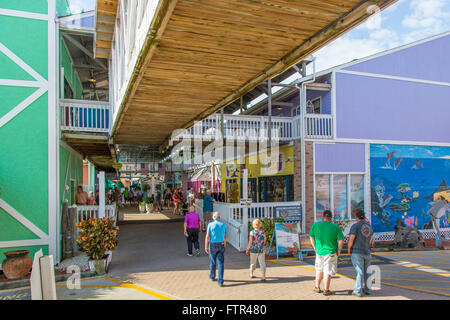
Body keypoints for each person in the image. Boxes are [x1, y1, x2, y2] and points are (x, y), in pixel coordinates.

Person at [309, 210, 344, 296]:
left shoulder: (315, 225)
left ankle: (317, 287)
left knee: (319, 269)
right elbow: (341, 240)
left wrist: (314, 247)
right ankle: (326, 289)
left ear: (323, 217)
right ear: (331, 217)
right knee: (327, 271)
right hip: (330, 252)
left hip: (319, 252)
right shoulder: (335, 227)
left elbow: (311, 237)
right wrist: (339, 250)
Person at [347, 209, 374, 297]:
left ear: (356, 217)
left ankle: (357, 290)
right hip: (367, 251)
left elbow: (351, 238)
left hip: (357, 251)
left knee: (359, 271)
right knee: (367, 271)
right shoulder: (369, 226)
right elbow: (372, 241)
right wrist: (370, 247)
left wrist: (349, 248)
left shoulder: (355, 226)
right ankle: (368, 289)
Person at [205, 211, 227, 287]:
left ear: (213, 217)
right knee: (221, 263)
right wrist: (224, 243)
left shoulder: (210, 225)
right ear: (219, 217)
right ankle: (220, 280)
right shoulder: (223, 225)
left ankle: (212, 276)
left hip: (212, 244)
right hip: (221, 244)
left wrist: (206, 246)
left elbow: (207, 236)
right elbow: (225, 236)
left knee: (213, 262)